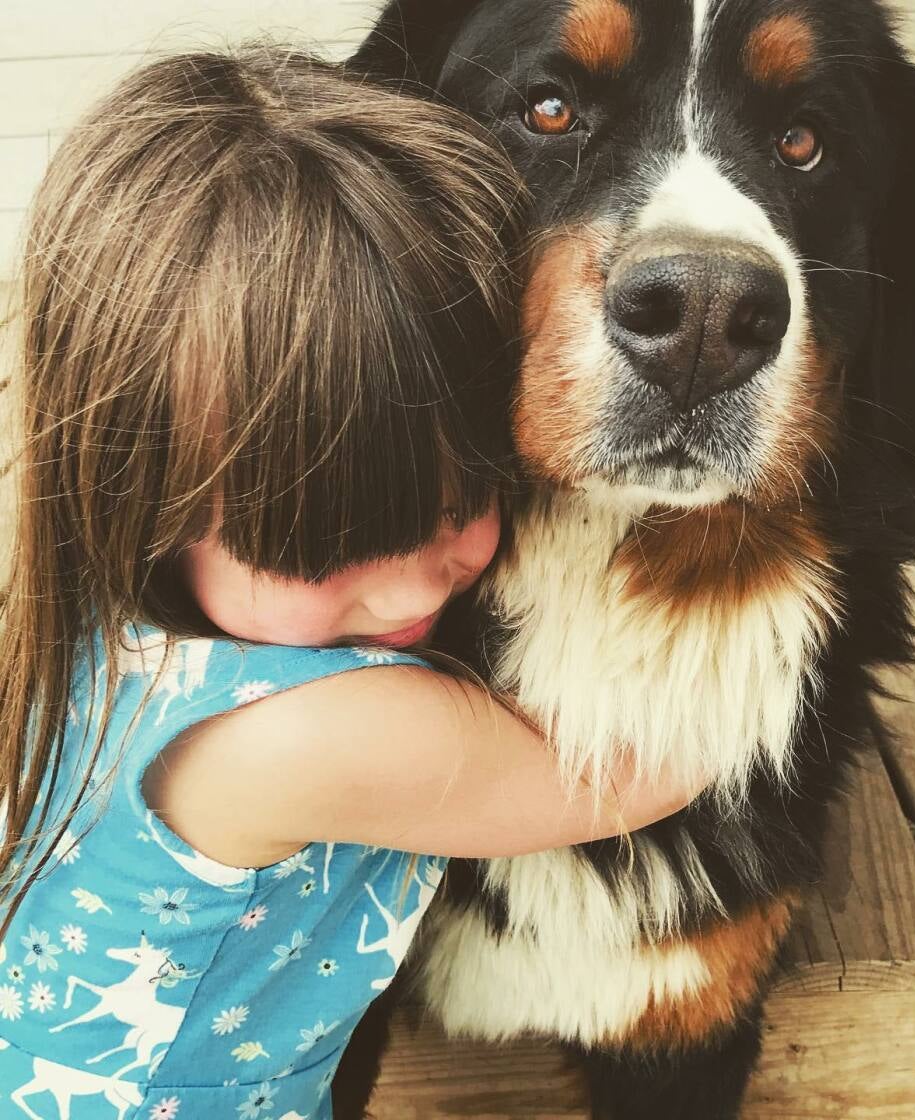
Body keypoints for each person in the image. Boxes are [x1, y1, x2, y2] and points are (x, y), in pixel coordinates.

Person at [0, 48, 703, 1118]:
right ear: (141, 493)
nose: (413, 583)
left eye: (465, 491)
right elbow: (654, 767)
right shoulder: (314, 735)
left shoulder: (86, 614)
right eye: (326, 542)